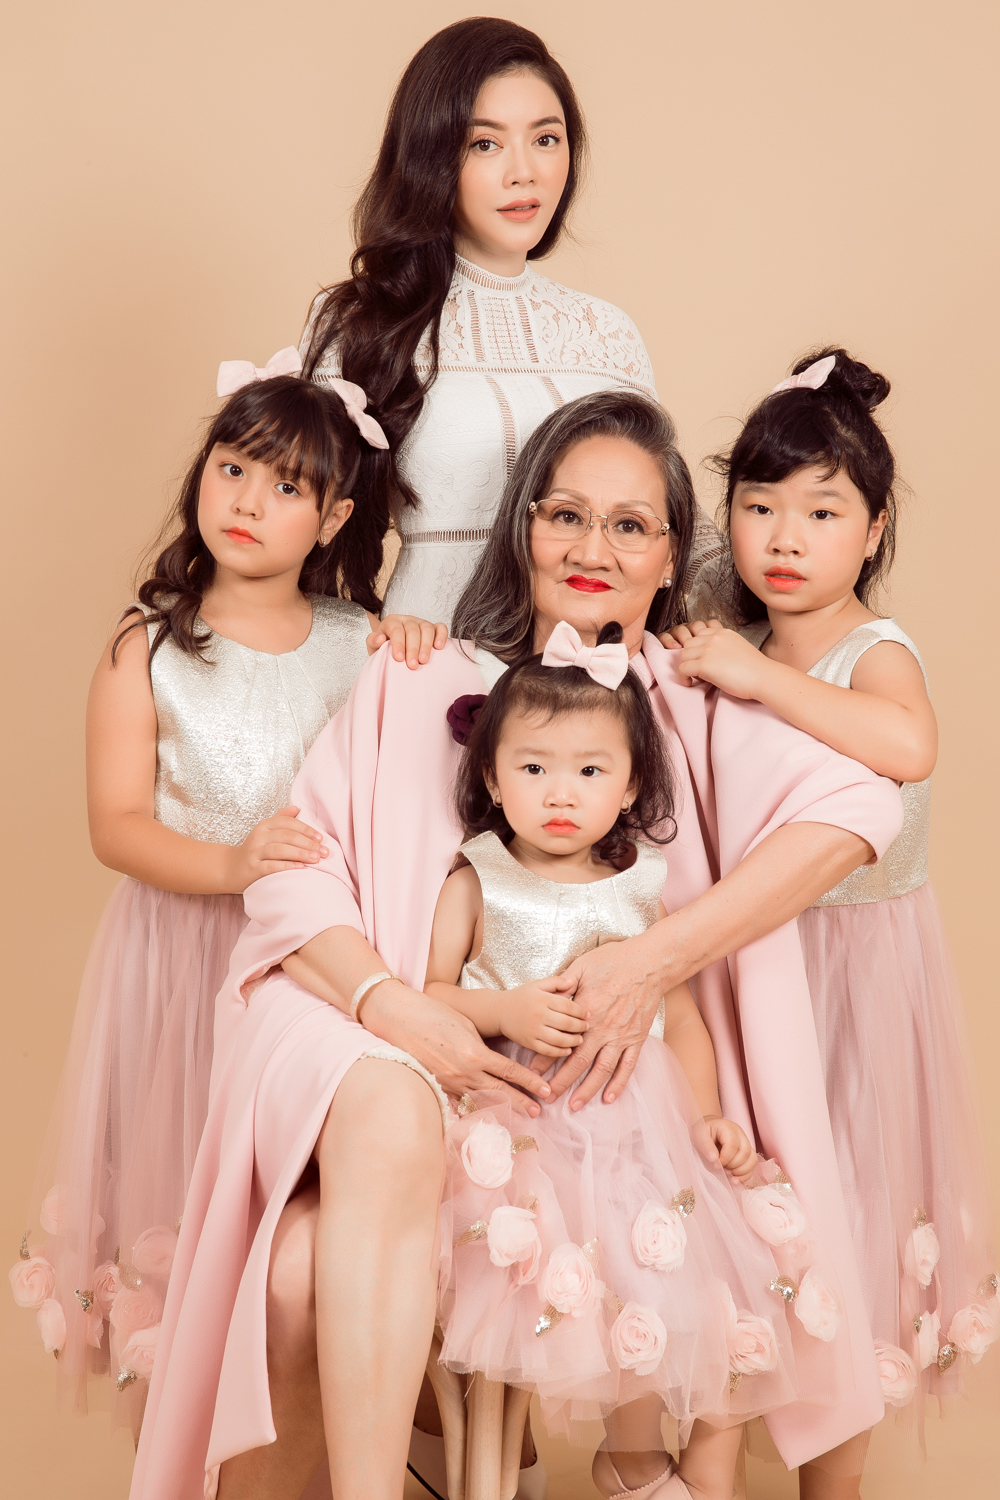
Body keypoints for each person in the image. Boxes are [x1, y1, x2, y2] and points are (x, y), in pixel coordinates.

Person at [130, 390, 903, 1500]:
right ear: (522, 525)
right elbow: (296, 876)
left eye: (629, 526)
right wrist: (396, 1006)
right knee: (387, 1099)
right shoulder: (418, 677)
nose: (592, 549)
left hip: (589, 1105)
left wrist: (653, 961)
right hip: (366, 1023)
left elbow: (865, 804)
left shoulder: (694, 702)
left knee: (297, 1273)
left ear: (668, 557)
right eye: (565, 515)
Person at [9, 356, 443, 1431]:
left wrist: (414, 646)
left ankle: (296, 1422)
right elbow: (116, 824)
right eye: (233, 468)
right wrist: (231, 865)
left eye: (287, 486)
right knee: (181, 1183)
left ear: (333, 518)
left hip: (309, 967)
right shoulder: (151, 643)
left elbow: (408, 781)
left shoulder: (355, 644)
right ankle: (186, 1436)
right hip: (183, 955)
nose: (248, 501)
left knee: (296, 1214)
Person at [665, 349, 998, 1490]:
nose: (785, 538)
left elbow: (908, 745)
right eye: (759, 507)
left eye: (822, 512)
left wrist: (759, 682)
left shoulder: (872, 651)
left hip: (859, 975)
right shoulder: (732, 647)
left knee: (849, 1226)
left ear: (873, 529)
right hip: (751, 970)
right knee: (748, 1216)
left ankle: (832, 1483)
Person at [430, 622, 849, 1500]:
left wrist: (706, 1117)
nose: (561, 792)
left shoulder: (640, 889)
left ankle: (633, 1454)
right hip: (524, 1130)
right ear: (492, 777)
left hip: (636, 1132)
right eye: (533, 767)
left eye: (591, 771)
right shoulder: (476, 879)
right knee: (575, 1273)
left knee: (673, 1277)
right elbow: (429, 996)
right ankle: (608, 1459)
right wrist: (503, 1009)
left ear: (628, 788)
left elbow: (680, 1015)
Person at [299, 17, 726, 628]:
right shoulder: (362, 323)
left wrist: (795, 547)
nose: (524, 171)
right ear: (429, 158)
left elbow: (675, 525)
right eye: (485, 143)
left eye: (546, 138)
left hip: (591, 668)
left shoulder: (608, 331)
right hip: (428, 653)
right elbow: (299, 520)